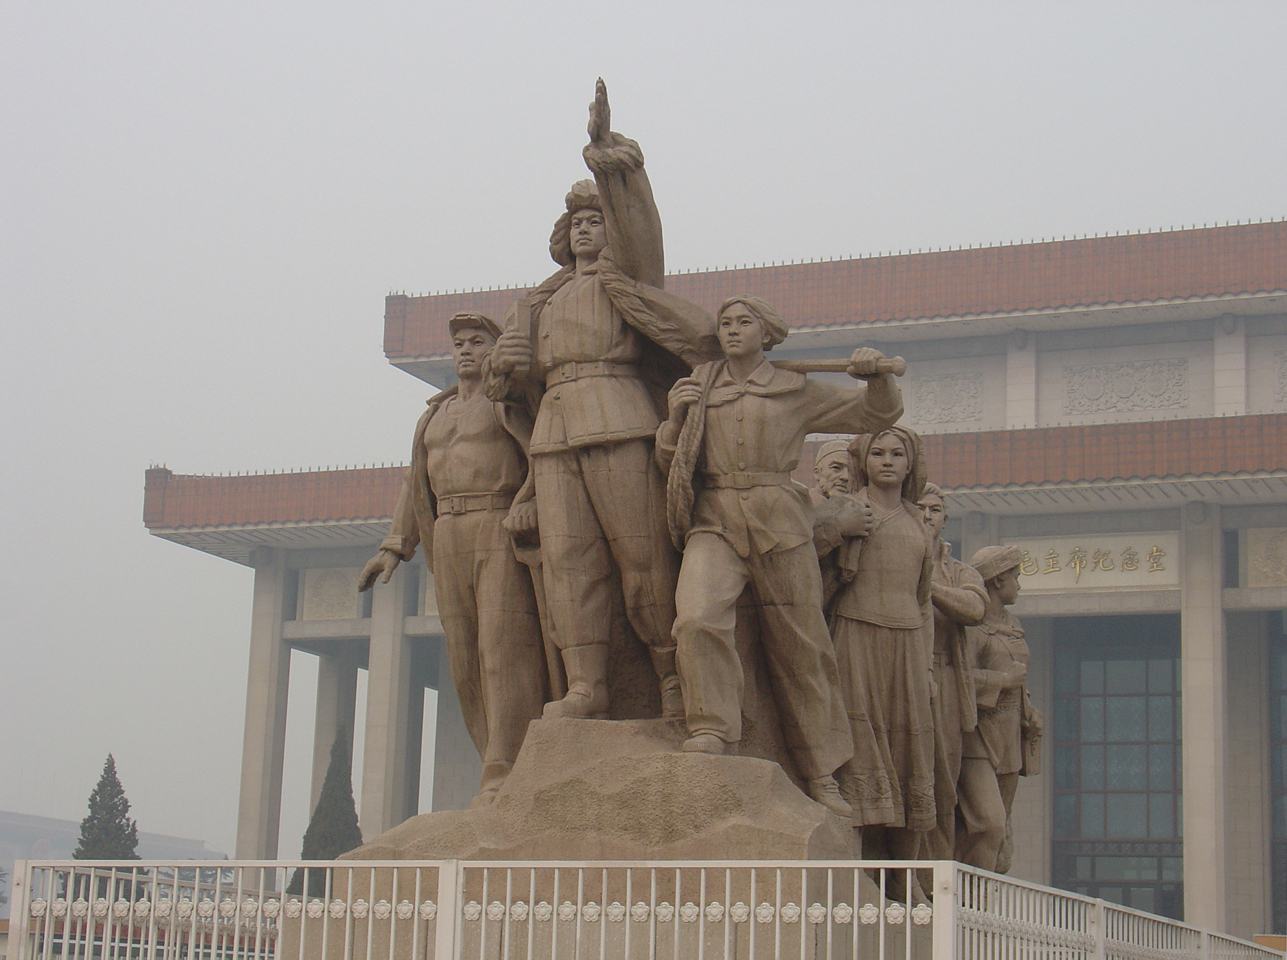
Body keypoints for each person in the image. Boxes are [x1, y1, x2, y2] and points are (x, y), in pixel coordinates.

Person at [484, 80, 715, 721]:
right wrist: (508, 368)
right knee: (570, 561)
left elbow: (640, 223)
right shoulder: (537, 302)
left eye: (598, 221)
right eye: (578, 224)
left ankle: (671, 676)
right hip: (555, 431)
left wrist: (609, 157)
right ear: (563, 236)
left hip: (618, 419)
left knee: (640, 557)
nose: (588, 231)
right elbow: (509, 388)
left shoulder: (627, 282)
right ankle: (587, 683)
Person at [657, 295, 903, 818]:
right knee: (697, 618)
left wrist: (873, 375)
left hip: (779, 521)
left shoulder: (794, 389)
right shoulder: (700, 388)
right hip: (715, 517)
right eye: (725, 323)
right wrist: (676, 417)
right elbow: (669, 458)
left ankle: (822, 770)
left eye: (744, 322)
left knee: (803, 647)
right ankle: (711, 726)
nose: (732, 331)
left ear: (766, 333)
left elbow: (876, 413)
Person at [358, 313, 548, 805]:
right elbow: (414, 482)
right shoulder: (434, 416)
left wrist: (529, 500)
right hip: (448, 531)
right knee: (463, 658)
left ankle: (510, 766)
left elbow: (542, 456)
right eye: (459, 343)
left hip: (496, 521)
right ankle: (492, 758)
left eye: (477, 341)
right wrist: (394, 546)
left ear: (494, 349)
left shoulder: (509, 401)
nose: (466, 350)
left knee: (502, 650)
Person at [826, 426, 936, 862]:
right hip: (855, 635)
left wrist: (926, 666)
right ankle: (855, 866)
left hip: (907, 643)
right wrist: (840, 530)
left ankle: (905, 873)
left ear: (910, 464)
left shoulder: (917, 522)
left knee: (911, 751)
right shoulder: (848, 509)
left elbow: (924, 601)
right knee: (857, 742)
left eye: (896, 454)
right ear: (864, 461)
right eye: (878, 453)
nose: (887, 461)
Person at [956, 545, 1044, 872]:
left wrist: (1028, 707)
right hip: (977, 735)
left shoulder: (1012, 622)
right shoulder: (972, 627)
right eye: (1015, 578)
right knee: (988, 823)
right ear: (996, 581)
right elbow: (958, 678)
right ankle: (963, 899)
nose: (1019, 585)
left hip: (1009, 735)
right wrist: (1002, 681)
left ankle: (980, 905)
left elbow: (1019, 677)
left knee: (1001, 829)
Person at [916, 483, 987, 861]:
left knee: (943, 781)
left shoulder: (958, 570)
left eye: (935, 510)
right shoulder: (890, 556)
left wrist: (929, 587)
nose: (927, 516)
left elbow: (975, 609)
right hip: (900, 673)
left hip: (943, 679)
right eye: (921, 508)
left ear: (945, 519)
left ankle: (936, 877)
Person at [811, 438, 852, 505]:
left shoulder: (857, 508)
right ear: (817, 473)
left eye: (851, 471)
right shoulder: (802, 506)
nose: (846, 477)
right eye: (836, 468)